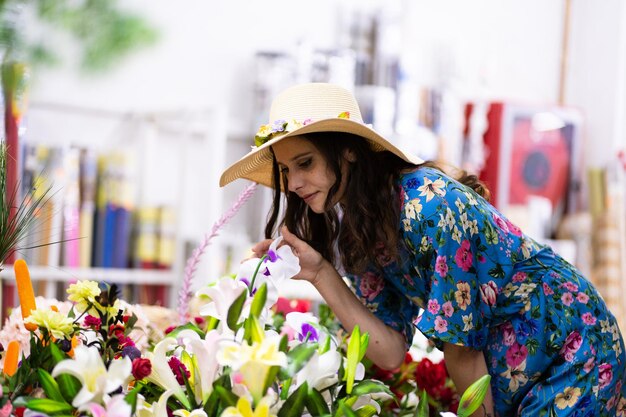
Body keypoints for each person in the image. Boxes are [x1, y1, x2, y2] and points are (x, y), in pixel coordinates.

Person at [219, 83, 626, 416]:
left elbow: (462, 351)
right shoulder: (364, 226)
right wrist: (321, 273)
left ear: (346, 149)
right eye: (287, 169)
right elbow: (391, 350)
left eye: (305, 163)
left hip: (573, 351)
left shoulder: (429, 206)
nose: (292, 183)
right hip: (514, 376)